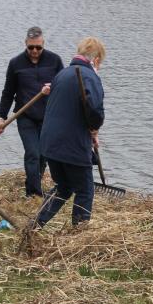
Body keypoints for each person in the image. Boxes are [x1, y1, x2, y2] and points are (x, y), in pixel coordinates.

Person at [34, 37, 106, 227]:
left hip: (50, 143)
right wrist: (94, 128)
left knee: (64, 187)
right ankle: (78, 234)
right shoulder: (90, 77)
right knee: (85, 190)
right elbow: (95, 111)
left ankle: (34, 225)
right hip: (72, 145)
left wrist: (92, 132)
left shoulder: (62, 74)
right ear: (96, 60)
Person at [0, 26, 64, 197]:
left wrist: (54, 87)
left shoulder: (55, 61)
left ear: (43, 44)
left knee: (43, 155)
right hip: (25, 116)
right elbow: (8, 93)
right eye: (31, 47)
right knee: (33, 153)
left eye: (38, 47)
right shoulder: (15, 63)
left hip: (48, 117)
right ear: (25, 43)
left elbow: (64, 86)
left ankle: (33, 184)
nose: (34, 51)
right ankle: (34, 194)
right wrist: (1, 117)